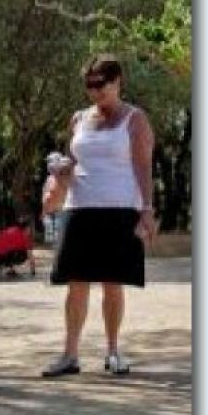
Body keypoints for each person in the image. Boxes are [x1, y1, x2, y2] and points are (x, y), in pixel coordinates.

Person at [41, 54, 156, 378]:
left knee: (112, 285)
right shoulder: (78, 119)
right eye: (89, 85)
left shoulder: (135, 119)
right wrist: (61, 173)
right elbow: (72, 158)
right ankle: (70, 355)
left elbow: (143, 167)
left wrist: (147, 210)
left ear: (117, 81)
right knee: (76, 285)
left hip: (120, 209)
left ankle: (113, 351)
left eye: (100, 84)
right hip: (79, 208)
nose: (95, 91)